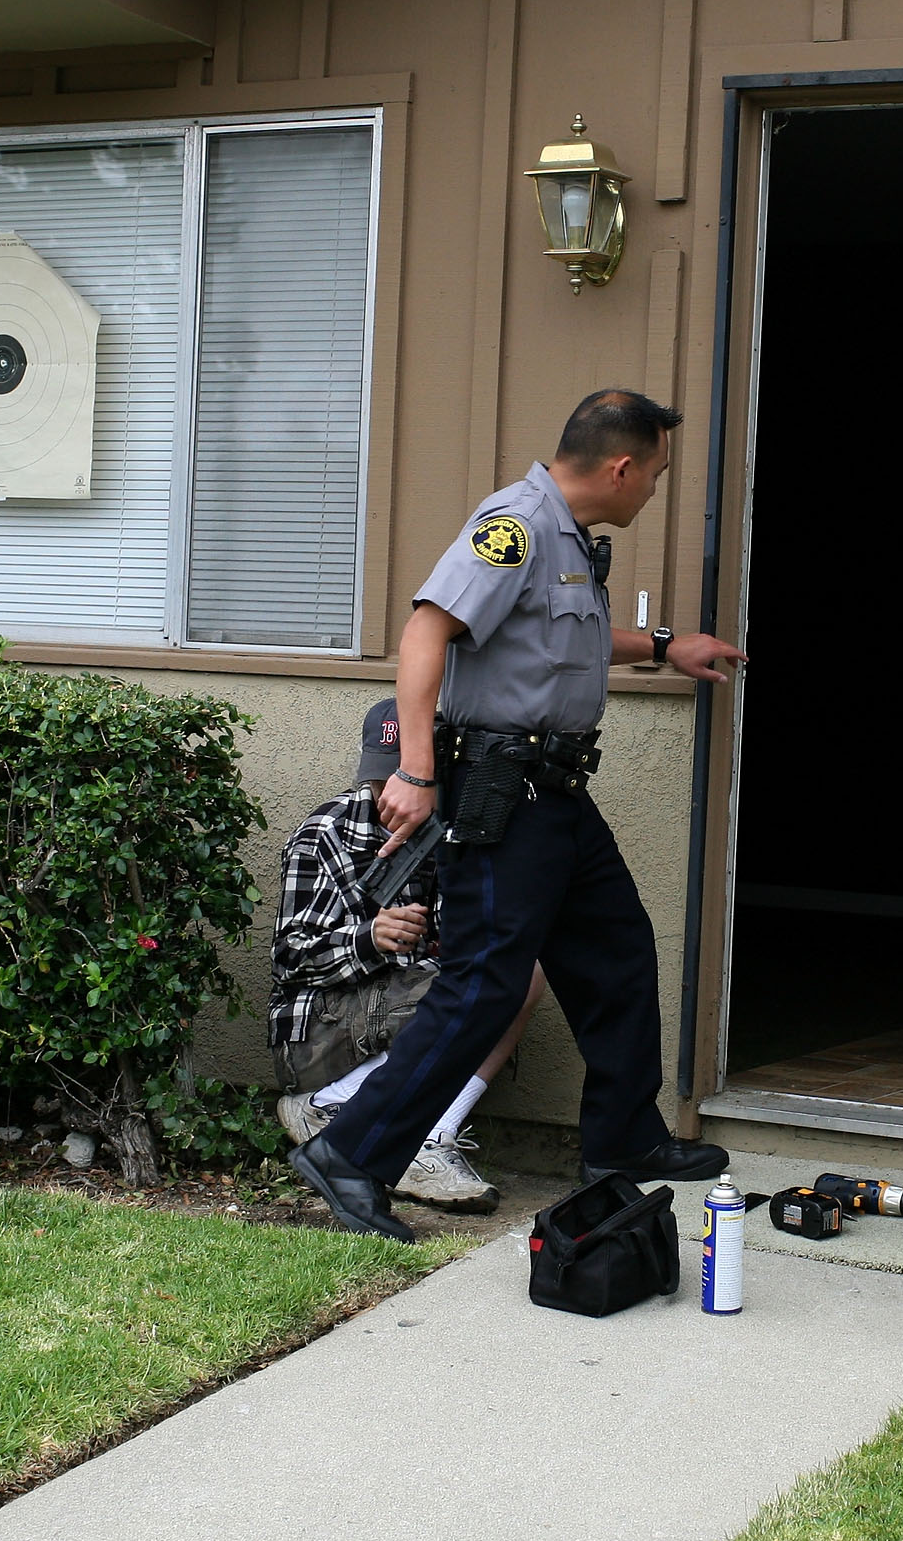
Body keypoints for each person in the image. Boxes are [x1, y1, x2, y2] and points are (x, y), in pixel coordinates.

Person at [291, 388, 748, 1240]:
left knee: (615, 953)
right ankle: (351, 1153)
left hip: (558, 793)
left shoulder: (567, 539)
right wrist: (417, 771)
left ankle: (623, 1143)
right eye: (653, 471)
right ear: (621, 466)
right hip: (502, 793)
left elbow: (553, 636)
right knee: (484, 985)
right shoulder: (515, 525)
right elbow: (428, 631)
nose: (654, 487)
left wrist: (661, 646)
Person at [269, 697, 546, 1214]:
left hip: (401, 1007)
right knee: (467, 985)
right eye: (382, 780)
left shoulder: (448, 833)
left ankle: (433, 1132)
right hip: (316, 1033)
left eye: (408, 778)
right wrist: (368, 937)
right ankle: (327, 1105)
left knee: (516, 974)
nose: (391, 796)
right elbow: (288, 959)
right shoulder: (324, 835)